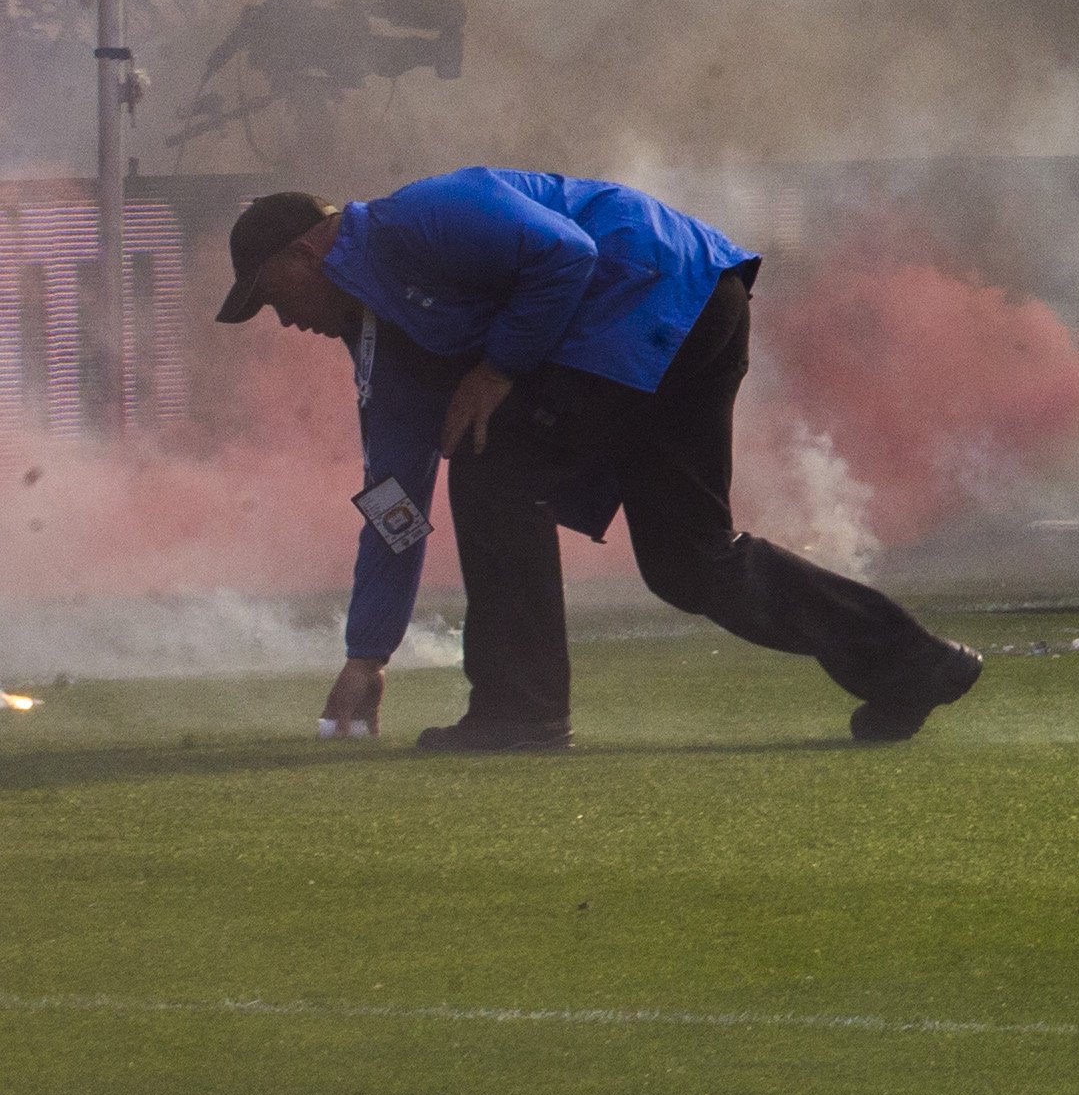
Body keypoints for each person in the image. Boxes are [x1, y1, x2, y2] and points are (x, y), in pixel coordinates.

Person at [215, 175, 985, 750]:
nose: (280, 319)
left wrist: (496, 369)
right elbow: (394, 498)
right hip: (688, 305)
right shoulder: (380, 351)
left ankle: (522, 710)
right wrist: (367, 653)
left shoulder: (420, 216)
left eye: (268, 292)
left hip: (663, 296)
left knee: (492, 458)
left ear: (306, 250)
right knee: (689, 561)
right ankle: (911, 665)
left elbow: (567, 251)